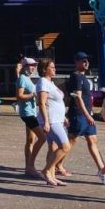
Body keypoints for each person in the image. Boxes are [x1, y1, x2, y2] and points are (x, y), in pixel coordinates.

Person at [56, 52, 105, 177]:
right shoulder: (76, 76)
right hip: (78, 114)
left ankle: (102, 169)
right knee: (71, 141)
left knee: (93, 139)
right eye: (83, 61)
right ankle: (55, 165)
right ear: (76, 62)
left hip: (86, 113)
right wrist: (88, 115)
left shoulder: (83, 77)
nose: (86, 63)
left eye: (87, 60)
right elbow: (78, 98)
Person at [36, 58, 70, 187]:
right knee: (65, 146)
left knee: (53, 148)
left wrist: (64, 117)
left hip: (57, 119)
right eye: (52, 67)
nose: (55, 69)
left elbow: (55, 102)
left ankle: (52, 176)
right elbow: (42, 103)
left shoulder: (50, 82)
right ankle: (46, 170)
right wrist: (46, 121)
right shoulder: (43, 82)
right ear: (45, 69)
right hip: (51, 121)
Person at [15, 57, 46, 177]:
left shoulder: (27, 78)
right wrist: (33, 94)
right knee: (42, 138)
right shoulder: (22, 79)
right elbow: (19, 96)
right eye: (30, 65)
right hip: (27, 114)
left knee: (30, 140)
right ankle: (30, 166)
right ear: (25, 67)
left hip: (32, 112)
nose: (33, 67)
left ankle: (28, 166)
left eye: (34, 65)